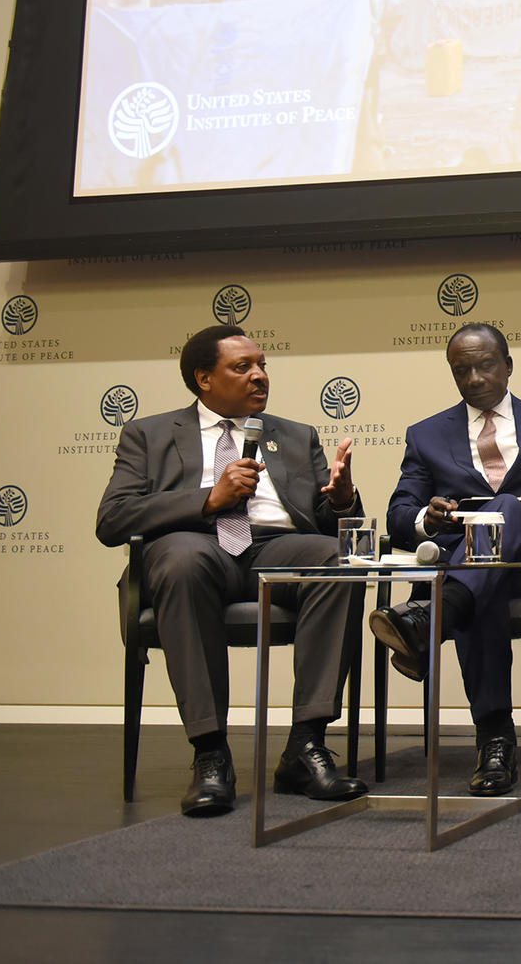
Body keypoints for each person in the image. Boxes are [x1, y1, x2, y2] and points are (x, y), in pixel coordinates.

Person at [96, 325, 366, 817]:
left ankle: (305, 746)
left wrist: (343, 499)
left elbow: (329, 522)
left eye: (262, 365)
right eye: (242, 367)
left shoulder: (296, 435)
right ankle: (210, 753)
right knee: (182, 560)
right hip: (195, 545)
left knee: (336, 558)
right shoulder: (149, 434)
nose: (259, 375)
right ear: (204, 378)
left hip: (274, 547)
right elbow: (113, 519)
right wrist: (207, 499)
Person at [371, 324, 521, 796]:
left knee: (510, 508)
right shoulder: (426, 436)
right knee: (483, 583)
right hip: (477, 571)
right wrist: (428, 518)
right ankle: (495, 742)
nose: (475, 378)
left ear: (508, 365)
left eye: (485, 365)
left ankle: (432, 618)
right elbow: (399, 515)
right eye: (463, 371)